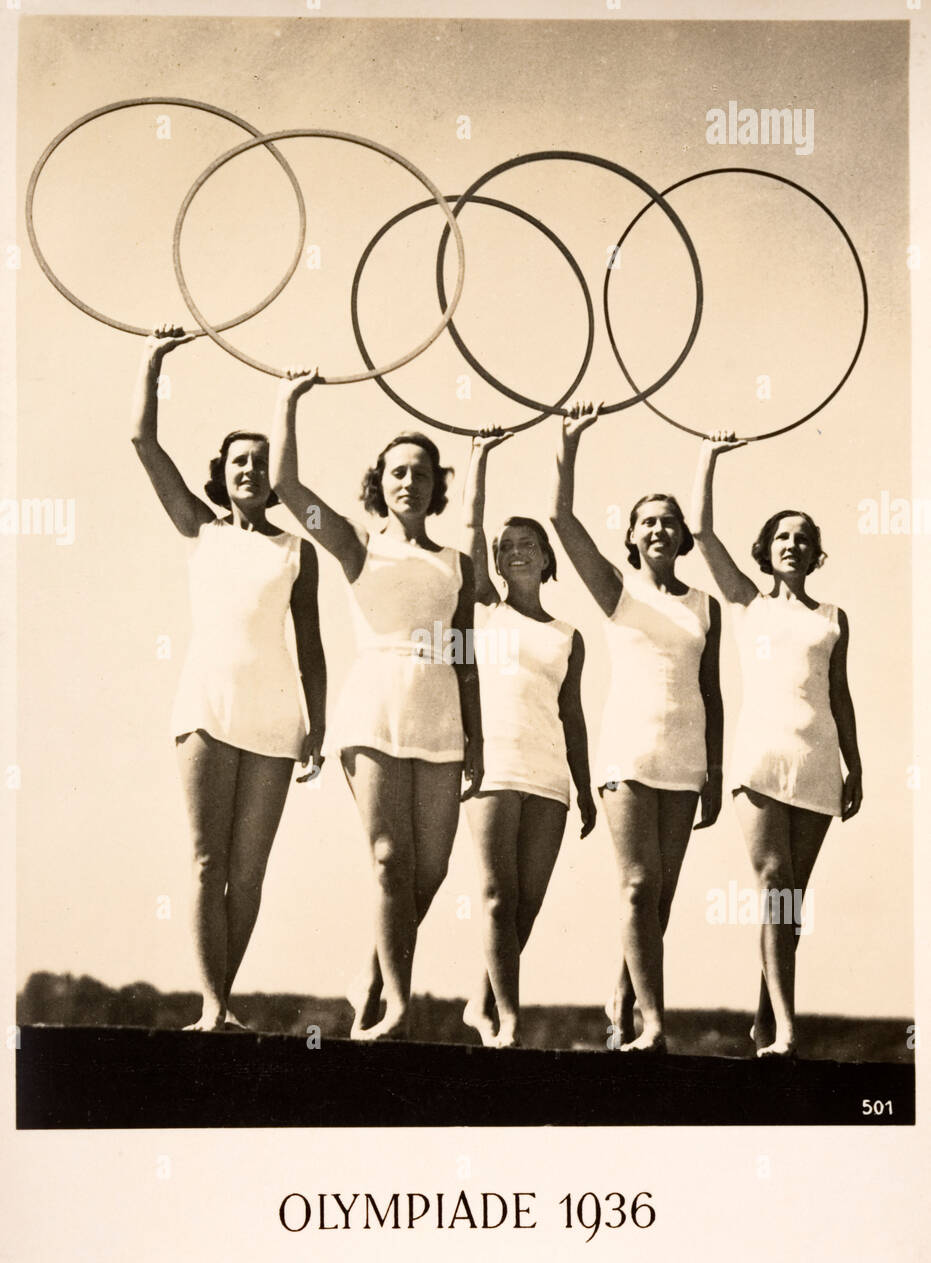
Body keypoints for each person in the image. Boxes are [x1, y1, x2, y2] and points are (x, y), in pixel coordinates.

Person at [269, 369, 482, 1041]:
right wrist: (288, 401)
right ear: (379, 482)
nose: (407, 482)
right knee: (391, 859)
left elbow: (466, 654)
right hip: (373, 708)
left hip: (440, 712)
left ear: (435, 485)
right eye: (396, 472)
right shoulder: (355, 544)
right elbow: (287, 489)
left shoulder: (457, 563)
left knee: (433, 868)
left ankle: (371, 978)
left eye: (420, 473)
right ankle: (397, 1004)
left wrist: (476, 740)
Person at [130, 325, 326, 1032]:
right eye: (239, 461)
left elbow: (312, 646)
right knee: (207, 862)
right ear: (224, 471)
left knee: (249, 873)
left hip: (275, 715)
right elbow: (143, 444)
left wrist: (317, 724)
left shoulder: (296, 550)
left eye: (262, 461)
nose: (250, 469)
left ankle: (224, 998)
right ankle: (212, 1007)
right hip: (207, 707)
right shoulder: (201, 529)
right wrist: (153, 362)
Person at [551, 403, 723, 1054]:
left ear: (682, 538)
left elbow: (713, 693)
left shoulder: (704, 605)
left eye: (668, 522)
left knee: (661, 900)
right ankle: (653, 1024)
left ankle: (623, 1001)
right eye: (646, 521)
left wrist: (716, 772)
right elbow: (562, 523)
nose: (658, 528)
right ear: (631, 535)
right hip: (624, 752)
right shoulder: (616, 592)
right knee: (637, 885)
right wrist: (568, 446)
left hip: (683, 756)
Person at [690, 430, 863, 1058]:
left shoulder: (834, 617)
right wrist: (708, 457)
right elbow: (702, 534)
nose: (794, 544)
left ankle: (765, 1022)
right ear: (767, 549)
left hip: (818, 762)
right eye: (783, 535)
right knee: (775, 884)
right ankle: (788, 1029)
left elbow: (837, 693)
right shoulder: (744, 602)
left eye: (804, 537)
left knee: (790, 905)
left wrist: (856, 763)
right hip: (759, 760)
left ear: (815, 554)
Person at [459, 427, 596, 1048]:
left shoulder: (570, 634)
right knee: (494, 895)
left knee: (526, 907)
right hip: (491, 767)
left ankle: (481, 1002)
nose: (516, 552)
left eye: (528, 545)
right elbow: (469, 529)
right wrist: (478, 458)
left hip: (550, 777)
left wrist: (587, 790)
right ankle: (504, 1019)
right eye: (505, 546)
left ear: (546, 559)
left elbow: (574, 716)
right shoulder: (486, 608)